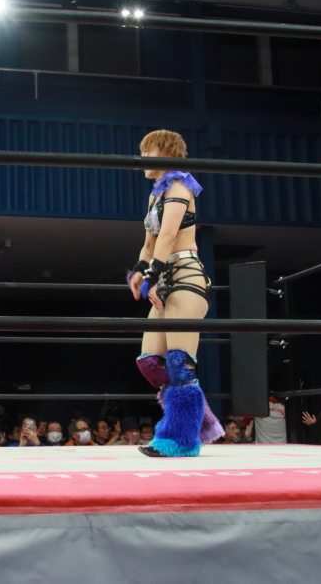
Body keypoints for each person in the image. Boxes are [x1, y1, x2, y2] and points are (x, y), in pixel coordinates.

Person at [127, 130, 222, 457]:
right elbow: (150, 243)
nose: (141, 158)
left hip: (185, 277)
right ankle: (201, 424)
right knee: (150, 362)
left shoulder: (180, 186)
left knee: (180, 364)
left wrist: (151, 276)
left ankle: (180, 440)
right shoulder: (156, 195)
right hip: (164, 277)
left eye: (147, 151)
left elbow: (168, 237)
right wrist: (140, 271)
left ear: (166, 152)